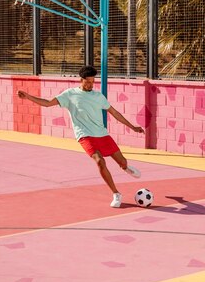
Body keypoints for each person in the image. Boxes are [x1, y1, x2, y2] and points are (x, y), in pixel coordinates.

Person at [17, 65, 145, 208]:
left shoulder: (98, 96)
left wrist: (133, 127)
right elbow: (47, 103)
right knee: (100, 161)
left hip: (102, 134)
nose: (91, 85)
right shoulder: (69, 95)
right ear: (81, 80)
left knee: (122, 162)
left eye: (93, 82)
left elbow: (115, 113)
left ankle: (125, 167)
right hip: (84, 135)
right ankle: (116, 193)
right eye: (88, 82)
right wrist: (28, 97)